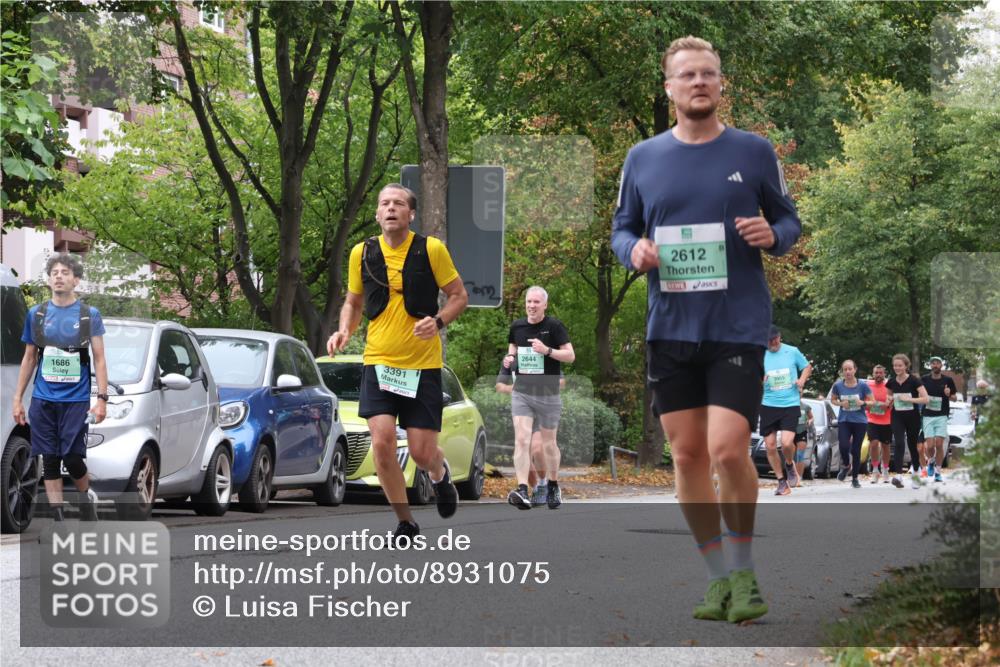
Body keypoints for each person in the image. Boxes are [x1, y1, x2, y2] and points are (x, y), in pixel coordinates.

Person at [611, 36, 801, 623]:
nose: (699, 82)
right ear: (669, 87)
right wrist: (634, 252)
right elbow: (621, 230)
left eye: (708, 75)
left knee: (725, 448)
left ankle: (744, 573)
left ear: (721, 86)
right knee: (688, 455)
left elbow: (789, 219)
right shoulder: (642, 158)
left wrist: (776, 237)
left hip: (736, 325)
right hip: (670, 328)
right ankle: (717, 579)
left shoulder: (755, 150)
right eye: (687, 75)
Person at [327, 183, 468, 545]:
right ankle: (405, 522)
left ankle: (439, 474)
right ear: (377, 214)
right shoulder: (362, 253)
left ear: (410, 214)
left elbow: (458, 296)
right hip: (379, 363)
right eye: (384, 203)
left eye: (399, 204)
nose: (391, 208)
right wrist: (345, 330)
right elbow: (354, 302)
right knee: (383, 443)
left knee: (421, 453)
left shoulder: (431, 249)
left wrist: (437, 322)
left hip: (422, 367)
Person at [12, 253, 108, 522]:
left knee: (72, 457)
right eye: (54, 272)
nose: (59, 277)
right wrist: (17, 398)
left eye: (65, 273)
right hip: (43, 398)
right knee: (50, 459)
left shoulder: (89, 315)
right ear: (49, 279)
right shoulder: (38, 314)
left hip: (76, 400)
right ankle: (59, 518)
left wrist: (102, 399)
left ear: (76, 280)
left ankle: (86, 495)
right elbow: (29, 357)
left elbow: (99, 359)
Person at [502, 286, 574, 510]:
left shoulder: (554, 327)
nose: (531, 306)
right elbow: (513, 345)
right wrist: (510, 357)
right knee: (521, 440)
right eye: (528, 302)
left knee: (549, 445)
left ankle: (553, 484)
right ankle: (522, 489)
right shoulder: (517, 326)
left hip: (548, 394)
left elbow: (570, 356)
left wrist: (547, 351)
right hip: (522, 392)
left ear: (544, 305)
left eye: (535, 302)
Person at [497, 363, 567, 506]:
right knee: (523, 451)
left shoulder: (538, 354)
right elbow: (500, 386)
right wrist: (519, 389)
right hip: (523, 409)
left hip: (543, 404)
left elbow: (561, 382)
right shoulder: (510, 360)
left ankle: (544, 484)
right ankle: (534, 489)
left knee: (537, 448)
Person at [760, 327, 812, 495]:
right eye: (768, 341)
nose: (772, 343)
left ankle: (789, 463)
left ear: (779, 337)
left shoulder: (792, 351)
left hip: (790, 403)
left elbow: (807, 367)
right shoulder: (759, 354)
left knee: (787, 443)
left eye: (774, 339)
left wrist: (802, 380)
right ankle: (782, 482)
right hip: (768, 403)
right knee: (770, 445)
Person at [885, 353, 929, 489]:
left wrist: (909, 399)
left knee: (912, 445)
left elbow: (926, 399)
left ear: (906, 366)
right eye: (895, 365)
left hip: (912, 416)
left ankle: (915, 473)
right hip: (897, 416)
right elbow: (888, 398)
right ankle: (898, 475)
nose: (897, 368)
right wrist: (889, 401)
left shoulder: (914, 381)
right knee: (898, 442)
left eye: (900, 365)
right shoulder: (891, 382)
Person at [830, 360, 873, 488]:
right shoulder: (838, 385)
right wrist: (841, 403)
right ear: (842, 371)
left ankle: (855, 478)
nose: (847, 372)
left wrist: (863, 403)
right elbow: (833, 400)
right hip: (844, 420)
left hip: (860, 421)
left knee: (856, 449)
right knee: (843, 446)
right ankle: (846, 465)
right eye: (845, 370)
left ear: (855, 370)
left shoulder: (862, 386)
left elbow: (872, 401)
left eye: (850, 369)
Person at [921, 356, 956, 483]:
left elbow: (955, 398)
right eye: (933, 363)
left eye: (938, 363)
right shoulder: (924, 379)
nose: (935, 365)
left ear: (941, 366)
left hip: (942, 415)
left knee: (939, 444)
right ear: (930, 366)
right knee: (930, 446)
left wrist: (949, 394)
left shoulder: (948, 380)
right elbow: (918, 393)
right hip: (927, 415)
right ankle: (931, 461)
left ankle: (938, 472)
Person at [865, 365, 893, 484]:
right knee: (874, 443)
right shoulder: (867, 385)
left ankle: (885, 469)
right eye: (876, 373)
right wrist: (870, 405)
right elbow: (863, 401)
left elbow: (892, 401)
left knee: (886, 446)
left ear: (884, 374)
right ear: (873, 373)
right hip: (872, 419)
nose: (878, 375)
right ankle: (875, 470)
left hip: (887, 420)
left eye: (880, 373)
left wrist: (888, 403)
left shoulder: (889, 386)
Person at [792, 402, 813, 482]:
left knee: (800, 455)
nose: (799, 393)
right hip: (791, 432)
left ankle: (799, 477)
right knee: (790, 456)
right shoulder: (789, 403)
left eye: (800, 391)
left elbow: (811, 417)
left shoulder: (806, 406)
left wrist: (810, 421)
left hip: (802, 431)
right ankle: (791, 476)